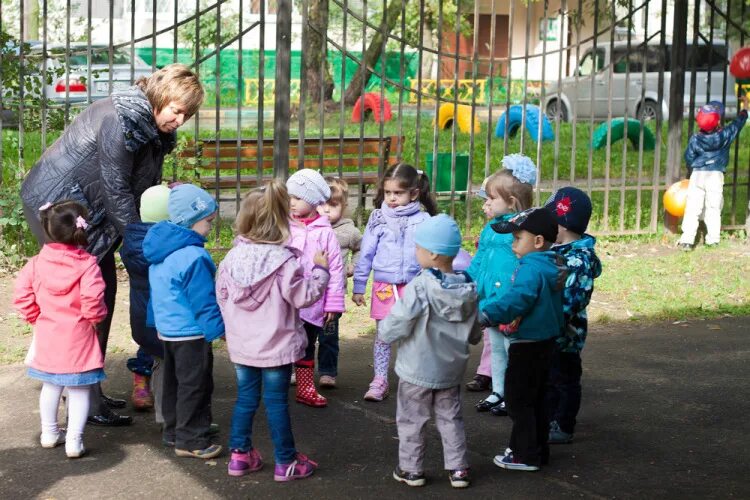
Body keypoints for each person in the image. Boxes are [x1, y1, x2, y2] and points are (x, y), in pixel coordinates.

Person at [19, 63, 204, 426]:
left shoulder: (145, 122)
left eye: (187, 114)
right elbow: (116, 187)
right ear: (161, 97)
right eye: (177, 110)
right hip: (58, 209)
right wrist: (139, 242)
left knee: (98, 296)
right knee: (86, 299)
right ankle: (78, 390)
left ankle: (80, 389)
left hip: (82, 208)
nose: (180, 119)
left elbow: (139, 185)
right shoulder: (122, 121)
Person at [217, 180, 326, 481]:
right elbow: (304, 296)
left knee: (246, 400)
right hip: (276, 346)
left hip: (243, 346)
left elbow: (222, 298)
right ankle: (286, 460)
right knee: (276, 402)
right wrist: (321, 271)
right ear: (282, 221)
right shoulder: (284, 262)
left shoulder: (229, 260)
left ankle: (239, 456)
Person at [379, 214, 481, 489]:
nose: (416, 252)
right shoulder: (468, 287)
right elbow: (474, 328)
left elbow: (400, 319)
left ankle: (412, 469)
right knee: (451, 418)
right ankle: (458, 468)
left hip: (417, 369)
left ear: (433, 254)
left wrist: (385, 334)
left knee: (412, 419)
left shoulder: (421, 286)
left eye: (418, 248)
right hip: (451, 370)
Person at [13, 201, 108, 458]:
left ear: (47, 228)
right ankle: (74, 441)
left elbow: (21, 296)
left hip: (48, 335)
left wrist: (36, 318)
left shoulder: (35, 263)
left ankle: (49, 433)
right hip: (79, 336)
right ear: (81, 229)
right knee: (78, 390)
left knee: (50, 386)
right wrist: (95, 320)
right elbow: (93, 300)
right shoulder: (87, 264)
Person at [478, 207, 566, 472]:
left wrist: (487, 313)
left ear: (538, 241)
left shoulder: (530, 267)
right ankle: (537, 449)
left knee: (518, 401)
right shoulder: (551, 264)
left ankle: (524, 455)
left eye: (517, 239)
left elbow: (519, 299)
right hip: (546, 341)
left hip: (527, 343)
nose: (513, 244)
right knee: (537, 399)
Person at [143, 184, 225, 459]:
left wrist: (156, 324)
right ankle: (192, 440)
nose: (211, 227)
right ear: (191, 220)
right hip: (191, 333)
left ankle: (174, 430)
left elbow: (156, 295)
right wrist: (218, 330)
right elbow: (204, 301)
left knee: (174, 383)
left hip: (167, 331)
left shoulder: (160, 253)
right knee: (196, 385)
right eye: (208, 221)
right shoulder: (194, 256)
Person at [352, 163, 438, 402]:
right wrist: (359, 286)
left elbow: (433, 254)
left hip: (414, 286)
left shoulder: (424, 220)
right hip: (384, 288)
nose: (391, 198)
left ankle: (414, 379)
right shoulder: (378, 218)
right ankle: (380, 379)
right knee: (384, 335)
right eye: (388, 192)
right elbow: (366, 252)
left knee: (414, 335)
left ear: (414, 193)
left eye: (397, 193)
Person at [466, 155, 535, 417]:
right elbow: (480, 258)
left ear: (512, 203)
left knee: (511, 348)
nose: (487, 203)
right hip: (490, 297)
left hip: (510, 298)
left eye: (492, 198)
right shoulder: (490, 228)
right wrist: (467, 279)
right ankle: (498, 390)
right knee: (494, 346)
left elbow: (526, 261)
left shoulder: (523, 229)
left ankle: (513, 394)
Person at [543, 187, 602, 444]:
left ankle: (564, 424)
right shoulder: (557, 251)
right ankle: (549, 418)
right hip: (549, 330)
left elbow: (574, 299)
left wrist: (552, 321)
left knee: (565, 380)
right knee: (549, 378)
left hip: (566, 335)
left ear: (562, 226)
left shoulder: (578, 260)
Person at [286, 169, 346, 407]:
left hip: (313, 302)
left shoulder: (325, 233)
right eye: (290, 197)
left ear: (313, 201)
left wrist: (333, 302)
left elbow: (336, 269)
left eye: (298, 198)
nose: (291, 203)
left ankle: (305, 387)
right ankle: (278, 383)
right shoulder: (285, 227)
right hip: (288, 300)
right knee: (285, 342)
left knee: (308, 344)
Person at [119, 184, 171, 412]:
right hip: (165, 311)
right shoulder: (168, 244)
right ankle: (169, 407)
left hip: (140, 312)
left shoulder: (132, 239)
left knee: (147, 345)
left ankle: (141, 381)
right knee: (165, 354)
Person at [678, 95, 748, 250]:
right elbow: (738, 124)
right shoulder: (725, 135)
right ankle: (713, 239)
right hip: (715, 175)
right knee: (713, 207)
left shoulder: (695, 138)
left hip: (698, 174)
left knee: (692, 207)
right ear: (717, 121)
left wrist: (695, 165)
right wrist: (745, 107)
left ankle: (687, 240)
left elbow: (688, 156)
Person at [315, 177, 363, 388]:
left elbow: (361, 248)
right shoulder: (309, 227)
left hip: (332, 296)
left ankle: (327, 371)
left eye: (332, 205)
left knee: (328, 336)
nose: (326, 210)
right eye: (321, 204)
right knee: (301, 336)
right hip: (308, 293)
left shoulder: (349, 231)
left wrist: (354, 265)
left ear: (343, 206)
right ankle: (299, 369)